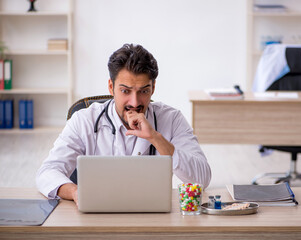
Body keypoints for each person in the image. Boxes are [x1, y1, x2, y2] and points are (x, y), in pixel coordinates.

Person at [36, 43, 212, 205]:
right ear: (111, 87)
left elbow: (202, 179)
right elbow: (47, 173)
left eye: (144, 91)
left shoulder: (171, 119)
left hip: (152, 218)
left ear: (153, 88)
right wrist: (76, 192)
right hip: (97, 216)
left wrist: (156, 138)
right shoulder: (84, 120)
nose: (134, 102)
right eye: (125, 91)